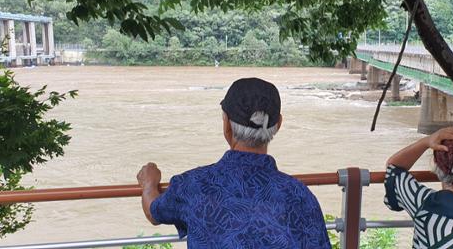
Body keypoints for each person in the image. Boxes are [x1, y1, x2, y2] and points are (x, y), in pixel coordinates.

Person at [136, 78, 331, 249]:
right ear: (278, 125)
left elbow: (154, 212)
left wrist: (148, 184)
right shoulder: (300, 196)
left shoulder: (193, 185)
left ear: (226, 124)